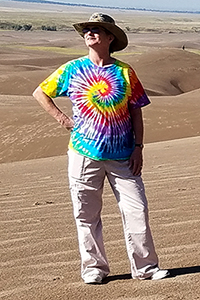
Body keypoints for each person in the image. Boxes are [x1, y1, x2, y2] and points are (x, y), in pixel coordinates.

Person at [33, 12, 169, 284]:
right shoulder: (72, 69)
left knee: (137, 209)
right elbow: (40, 92)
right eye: (88, 29)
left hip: (123, 156)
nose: (90, 33)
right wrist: (62, 118)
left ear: (110, 38)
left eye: (98, 29)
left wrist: (139, 146)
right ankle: (94, 268)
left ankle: (146, 268)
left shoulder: (125, 72)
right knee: (86, 214)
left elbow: (137, 111)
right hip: (84, 154)